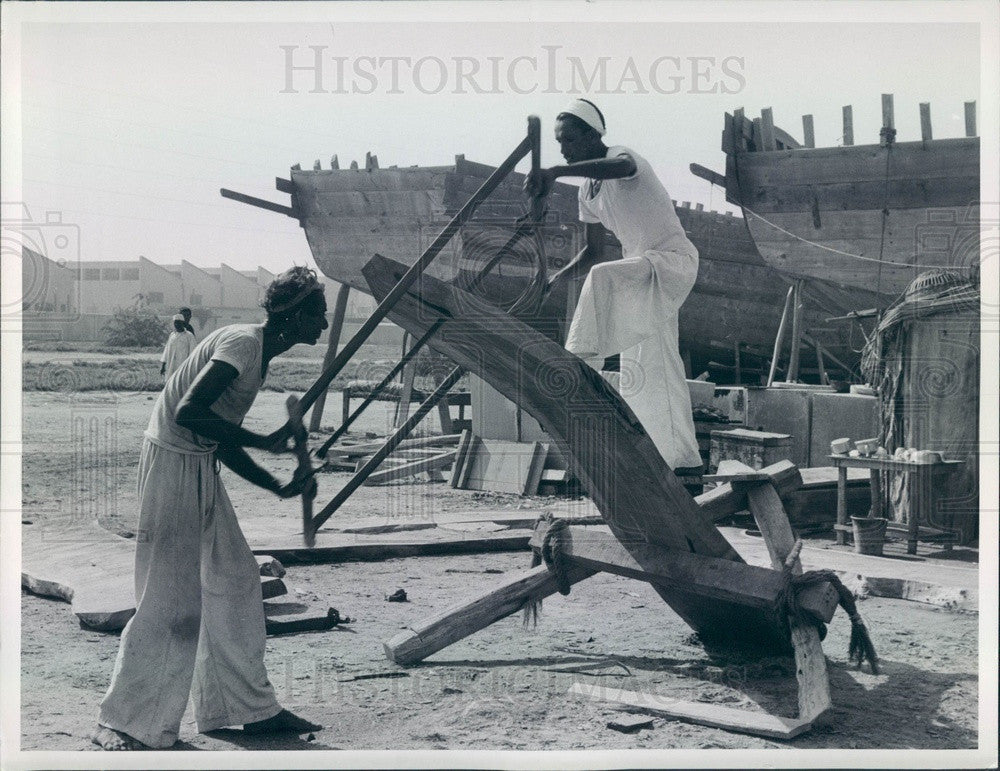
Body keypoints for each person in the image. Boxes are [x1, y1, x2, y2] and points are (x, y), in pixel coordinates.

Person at [93, 266, 328, 750]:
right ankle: (123, 721)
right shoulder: (243, 344)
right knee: (171, 596)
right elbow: (189, 414)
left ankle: (245, 709)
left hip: (197, 460)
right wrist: (267, 441)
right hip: (171, 463)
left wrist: (278, 485)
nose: (323, 327)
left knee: (234, 579)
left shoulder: (257, 352)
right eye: (318, 316)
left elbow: (217, 438)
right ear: (295, 316)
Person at [524, 99, 702, 471]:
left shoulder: (621, 157)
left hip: (670, 262)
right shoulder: (585, 191)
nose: (564, 149)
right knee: (649, 366)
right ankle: (677, 460)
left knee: (604, 278)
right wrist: (554, 279)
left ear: (593, 135)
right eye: (559, 143)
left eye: (570, 141)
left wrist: (555, 170)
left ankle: (579, 363)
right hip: (642, 271)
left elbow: (622, 167)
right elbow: (592, 251)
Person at [160, 314, 196, 378]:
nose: (177, 325)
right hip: (171, 365)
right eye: (175, 323)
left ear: (183, 323)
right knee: (170, 382)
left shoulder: (189, 336)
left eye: (179, 323)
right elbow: (166, 351)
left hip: (183, 365)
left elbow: (192, 353)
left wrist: (190, 367)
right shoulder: (172, 335)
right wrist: (163, 366)